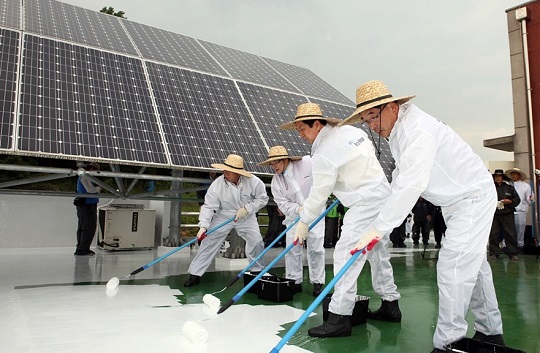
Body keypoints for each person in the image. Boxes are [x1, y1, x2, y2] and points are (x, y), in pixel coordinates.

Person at [341, 80, 505, 352]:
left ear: (392, 107)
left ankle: (448, 343)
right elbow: (399, 178)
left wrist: (378, 227)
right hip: (454, 201)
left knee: (453, 266)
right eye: (365, 120)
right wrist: (377, 217)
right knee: (474, 268)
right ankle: (491, 332)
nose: (371, 124)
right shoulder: (398, 131)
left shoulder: (417, 131)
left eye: (373, 115)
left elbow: (411, 184)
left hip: (472, 197)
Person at [280, 102, 401, 338]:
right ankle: (390, 305)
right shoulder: (352, 132)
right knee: (377, 254)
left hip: (364, 204)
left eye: (302, 129)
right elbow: (357, 166)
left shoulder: (324, 152)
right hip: (382, 196)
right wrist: (344, 188)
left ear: (316, 124)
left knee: (346, 255)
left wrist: (304, 222)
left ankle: (339, 317)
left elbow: (319, 193)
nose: (301, 135)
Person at [184, 154, 268, 287]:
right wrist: (203, 226)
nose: (225, 173)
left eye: (229, 172)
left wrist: (248, 208)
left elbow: (263, 198)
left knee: (256, 241)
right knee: (209, 241)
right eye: (224, 170)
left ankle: (257, 271)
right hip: (223, 215)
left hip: (246, 216)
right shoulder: (217, 184)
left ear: (237, 173)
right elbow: (209, 206)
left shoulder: (254, 181)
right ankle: (195, 274)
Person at [257, 145, 326, 297]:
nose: (274, 166)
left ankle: (318, 282)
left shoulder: (307, 163)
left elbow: (324, 171)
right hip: (294, 218)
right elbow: (282, 203)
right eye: (271, 163)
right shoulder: (276, 182)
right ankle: (294, 281)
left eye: (277, 162)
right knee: (292, 250)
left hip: (315, 213)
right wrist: (297, 210)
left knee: (316, 248)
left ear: (286, 159)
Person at [488, 169, 520, 261]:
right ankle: (494, 253)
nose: (497, 178)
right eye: (496, 176)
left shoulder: (509, 187)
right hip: (494, 214)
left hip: (507, 214)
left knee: (510, 233)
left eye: (499, 176)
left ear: (502, 177)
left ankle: (512, 253)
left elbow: (517, 199)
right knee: (494, 234)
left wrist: (510, 201)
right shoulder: (490, 188)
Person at [74, 162, 101, 256]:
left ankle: (81, 248)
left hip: (85, 204)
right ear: (92, 168)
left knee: (83, 227)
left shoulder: (84, 176)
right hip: (87, 205)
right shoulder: (86, 177)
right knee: (89, 227)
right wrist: (98, 189)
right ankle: (83, 249)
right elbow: (90, 190)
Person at [505, 167, 533, 251]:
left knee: (520, 227)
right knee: (508, 228)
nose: (513, 176)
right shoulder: (508, 185)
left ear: (519, 175)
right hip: (510, 209)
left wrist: (530, 199)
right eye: (512, 174)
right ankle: (508, 245)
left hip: (521, 210)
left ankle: (520, 244)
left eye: (515, 174)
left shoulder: (526, 186)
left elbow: (529, 198)